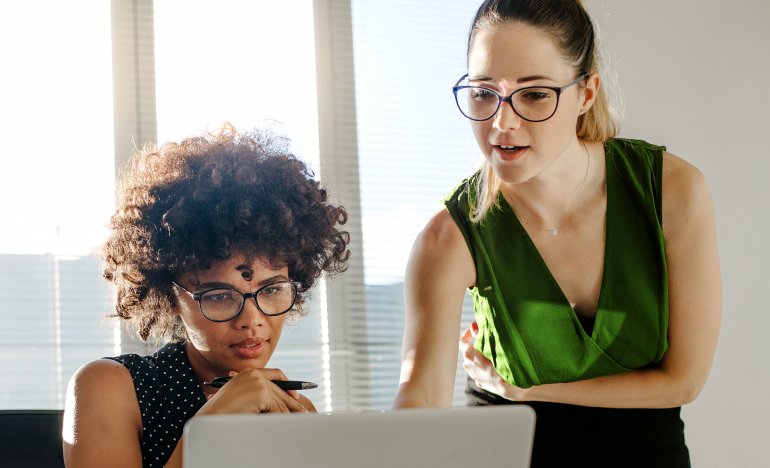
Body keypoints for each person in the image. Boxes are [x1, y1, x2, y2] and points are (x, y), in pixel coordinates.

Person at [392, 0, 721, 466]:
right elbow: (419, 394)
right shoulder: (447, 239)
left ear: (585, 93)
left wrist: (530, 390)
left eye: (534, 95)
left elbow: (683, 381)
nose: (501, 124)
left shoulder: (674, 192)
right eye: (484, 93)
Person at [62, 124, 350, 468]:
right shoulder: (109, 387)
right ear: (170, 295)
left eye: (271, 289)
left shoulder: (288, 410)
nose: (252, 320)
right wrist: (208, 431)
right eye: (219, 296)